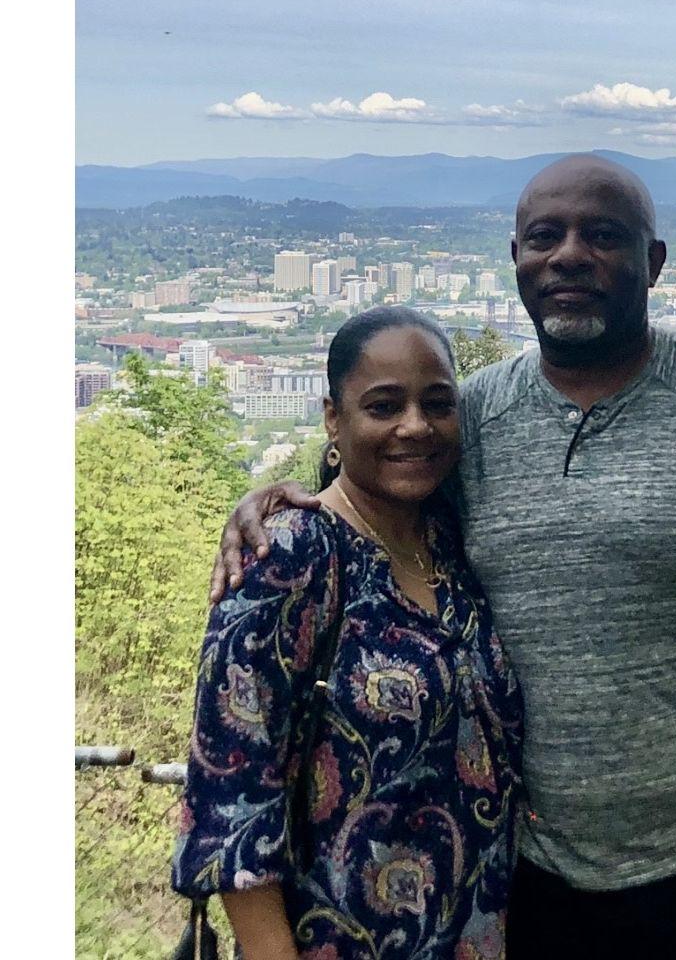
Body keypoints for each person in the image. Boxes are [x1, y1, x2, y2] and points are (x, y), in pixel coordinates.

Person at [217, 155, 676, 960]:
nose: (570, 254)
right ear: (517, 260)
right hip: (535, 888)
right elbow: (376, 487)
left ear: (655, 262)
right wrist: (277, 500)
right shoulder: (473, 420)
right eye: (545, 236)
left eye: (603, 235)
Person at [176, 307, 523, 959]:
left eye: (437, 404)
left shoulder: (453, 546)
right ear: (334, 418)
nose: (414, 426)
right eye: (384, 405)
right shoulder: (289, 558)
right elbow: (230, 795)